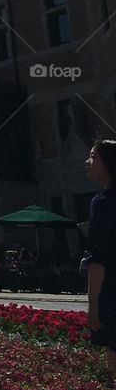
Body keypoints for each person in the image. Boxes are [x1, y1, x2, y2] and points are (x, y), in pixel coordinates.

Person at [85, 139, 116, 373]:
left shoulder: (103, 203)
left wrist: (92, 304)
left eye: (94, 156)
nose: (88, 162)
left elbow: (99, 259)